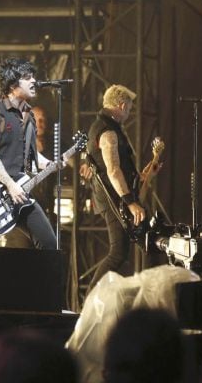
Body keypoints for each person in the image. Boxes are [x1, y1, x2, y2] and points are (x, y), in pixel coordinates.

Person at [0, 58, 59, 249]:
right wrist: (10, 184)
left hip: (22, 192)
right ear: (13, 84)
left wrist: (48, 164)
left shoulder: (29, 115)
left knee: (49, 243)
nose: (34, 81)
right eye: (27, 77)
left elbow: (31, 155)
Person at [80, 85, 148, 286]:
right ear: (122, 105)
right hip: (111, 197)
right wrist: (130, 202)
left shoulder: (105, 127)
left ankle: (95, 300)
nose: (129, 113)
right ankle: (90, 300)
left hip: (113, 196)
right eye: (129, 109)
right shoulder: (107, 131)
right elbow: (113, 170)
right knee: (118, 251)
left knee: (122, 249)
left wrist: (146, 175)